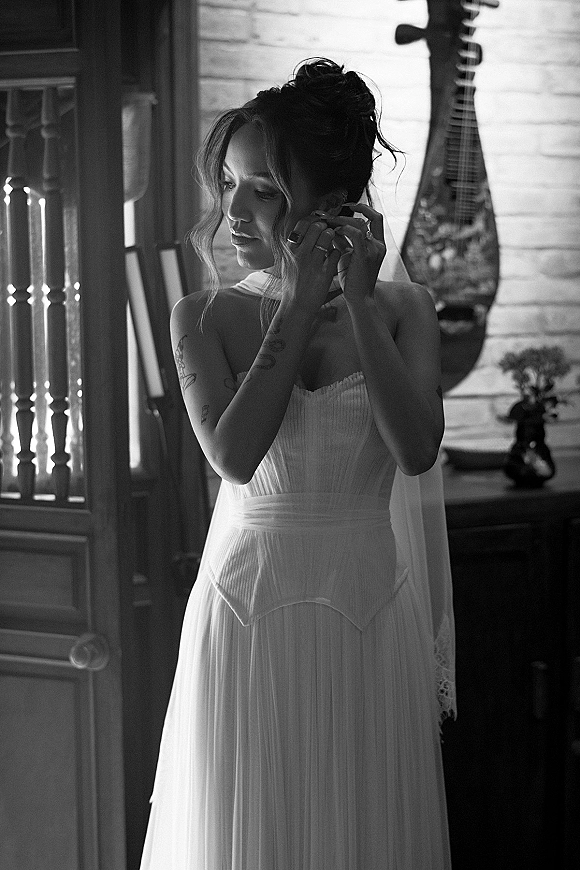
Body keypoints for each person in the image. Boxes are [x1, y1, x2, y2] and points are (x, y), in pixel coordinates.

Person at [140, 57, 456, 870]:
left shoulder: (406, 311)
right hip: (247, 608)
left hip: (369, 606)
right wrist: (299, 302)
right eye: (230, 184)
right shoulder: (201, 317)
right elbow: (235, 456)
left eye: (264, 190)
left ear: (334, 202)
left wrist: (357, 301)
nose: (233, 210)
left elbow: (416, 450)